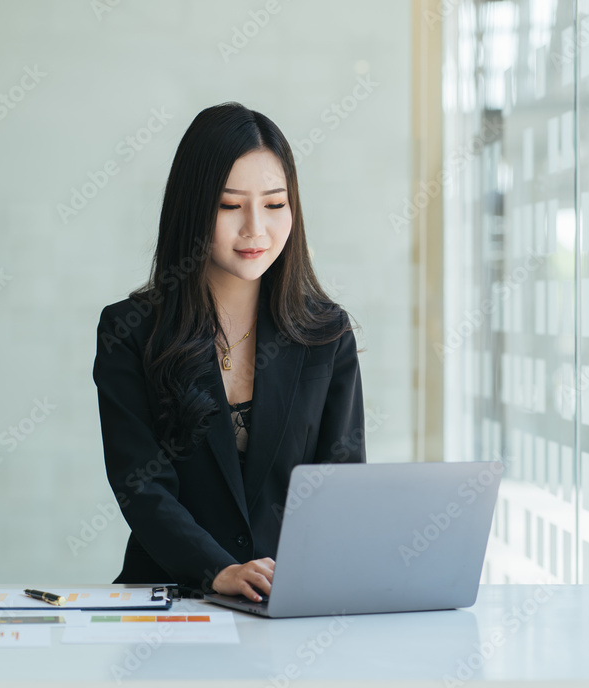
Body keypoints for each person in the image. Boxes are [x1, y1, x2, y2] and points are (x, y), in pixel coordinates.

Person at [92, 102, 367, 603]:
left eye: (275, 204)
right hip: (169, 597)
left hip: (288, 600)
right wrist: (217, 570)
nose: (255, 229)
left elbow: (341, 485)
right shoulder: (131, 330)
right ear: (192, 206)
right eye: (229, 205)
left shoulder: (326, 333)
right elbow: (141, 485)